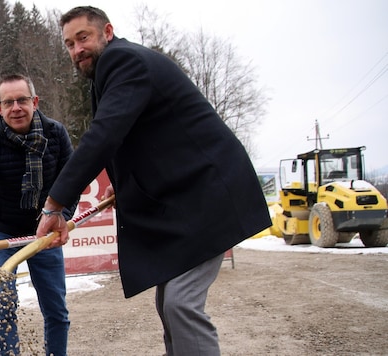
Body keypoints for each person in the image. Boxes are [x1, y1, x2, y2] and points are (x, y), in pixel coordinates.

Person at [36, 6, 271, 356]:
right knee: (170, 303)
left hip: (207, 195)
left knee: (181, 304)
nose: (76, 50)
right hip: (190, 198)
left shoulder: (124, 61)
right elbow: (139, 136)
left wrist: (55, 204)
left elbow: (104, 136)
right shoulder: (112, 71)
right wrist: (122, 182)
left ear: (108, 32)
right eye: (69, 44)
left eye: (83, 38)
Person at [0, 74, 76, 356]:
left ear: (35, 102)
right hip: (2, 231)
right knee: (2, 305)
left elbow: (72, 182)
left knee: (56, 309)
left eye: (22, 100)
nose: (16, 107)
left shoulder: (56, 133)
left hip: (45, 230)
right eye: (8, 102)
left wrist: (62, 216)